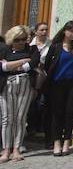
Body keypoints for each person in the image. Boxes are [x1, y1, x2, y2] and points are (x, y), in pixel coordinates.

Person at [43, 21, 73, 157]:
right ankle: (56, 141)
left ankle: (67, 141)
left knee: (69, 112)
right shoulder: (55, 47)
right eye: (70, 30)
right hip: (57, 84)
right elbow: (47, 65)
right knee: (57, 113)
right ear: (64, 31)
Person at [0, 26, 39, 162]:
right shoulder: (3, 49)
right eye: (18, 40)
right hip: (6, 85)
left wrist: (10, 65)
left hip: (25, 84)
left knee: (20, 118)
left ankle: (16, 148)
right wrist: (22, 61)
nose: (21, 42)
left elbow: (33, 63)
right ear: (11, 39)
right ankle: (6, 149)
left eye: (23, 39)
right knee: (7, 118)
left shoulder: (32, 49)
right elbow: (2, 68)